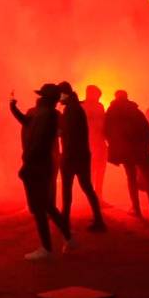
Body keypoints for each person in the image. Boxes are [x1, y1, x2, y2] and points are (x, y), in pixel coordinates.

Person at [10, 84, 73, 259]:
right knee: (47, 206)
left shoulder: (45, 115)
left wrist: (27, 165)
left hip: (37, 165)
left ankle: (46, 248)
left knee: (40, 208)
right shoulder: (46, 114)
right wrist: (13, 108)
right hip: (42, 164)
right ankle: (69, 237)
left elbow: (38, 143)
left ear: (45, 98)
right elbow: (26, 121)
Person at [104, 90, 149, 219]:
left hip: (125, 151)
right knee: (147, 177)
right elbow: (147, 130)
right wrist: (146, 147)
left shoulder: (112, 111)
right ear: (127, 97)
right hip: (140, 150)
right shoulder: (135, 111)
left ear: (116, 97)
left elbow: (106, 131)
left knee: (131, 178)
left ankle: (136, 209)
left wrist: (115, 147)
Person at [57, 83, 105, 231]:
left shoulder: (72, 109)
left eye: (60, 95)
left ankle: (65, 221)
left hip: (72, 155)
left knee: (68, 189)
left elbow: (68, 132)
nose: (59, 99)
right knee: (87, 187)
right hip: (82, 154)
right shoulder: (76, 107)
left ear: (65, 94)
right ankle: (98, 219)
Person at [83, 85, 108, 197]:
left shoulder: (99, 106)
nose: (98, 98)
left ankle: (98, 195)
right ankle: (92, 196)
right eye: (97, 95)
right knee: (92, 170)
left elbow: (103, 123)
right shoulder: (82, 106)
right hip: (89, 142)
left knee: (101, 169)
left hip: (100, 142)